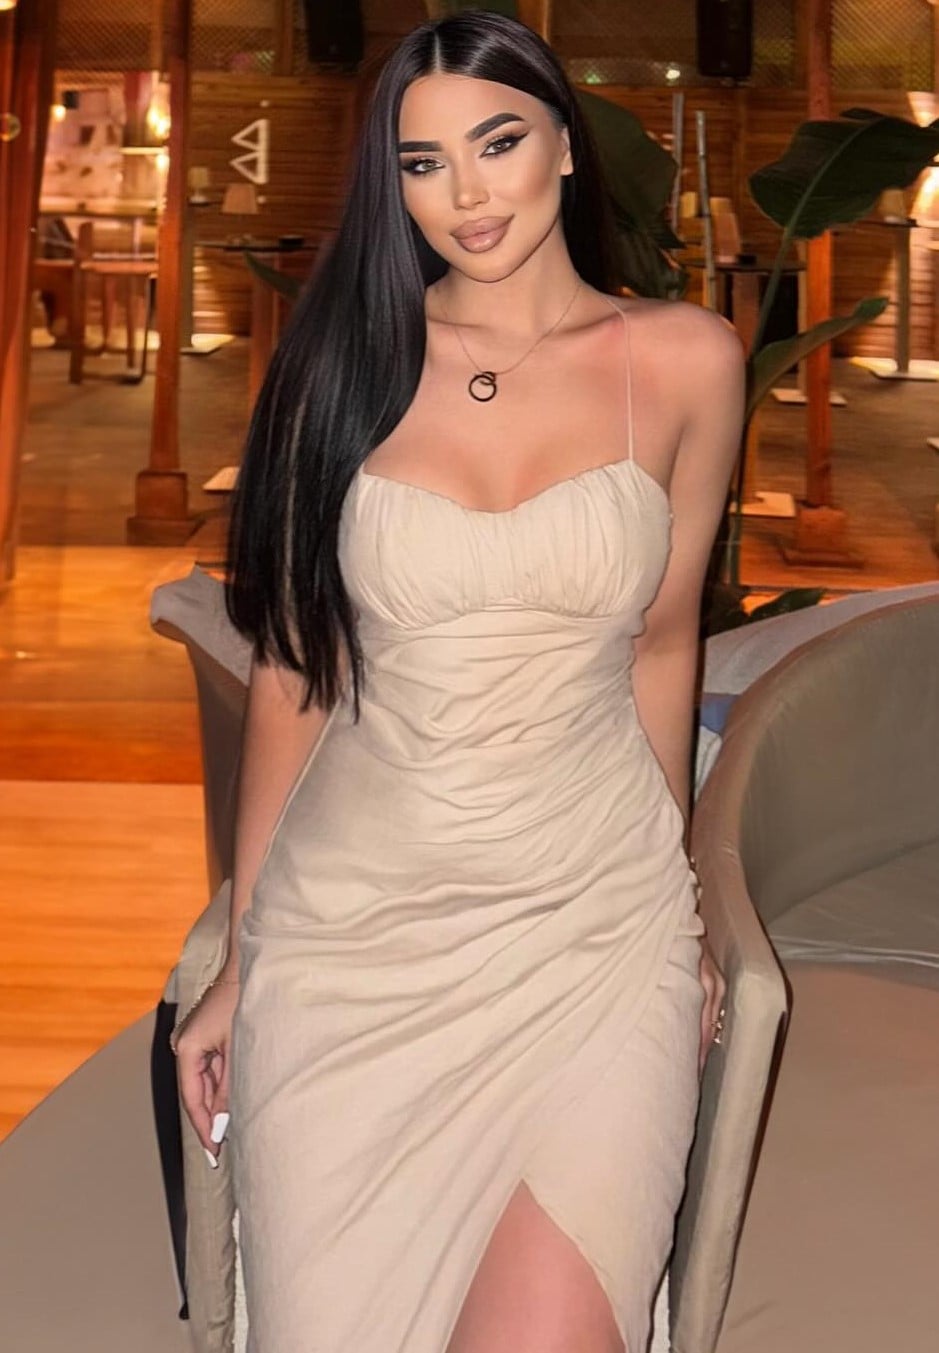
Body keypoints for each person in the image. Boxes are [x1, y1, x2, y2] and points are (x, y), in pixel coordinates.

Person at [174, 11, 743, 1352]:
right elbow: (296, 671)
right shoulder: (338, 365)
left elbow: (664, 644)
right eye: (423, 163)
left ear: (566, 147)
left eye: (498, 143)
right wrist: (245, 957)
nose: (467, 194)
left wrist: (675, 900)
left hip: (591, 926)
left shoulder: (687, 361)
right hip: (358, 936)